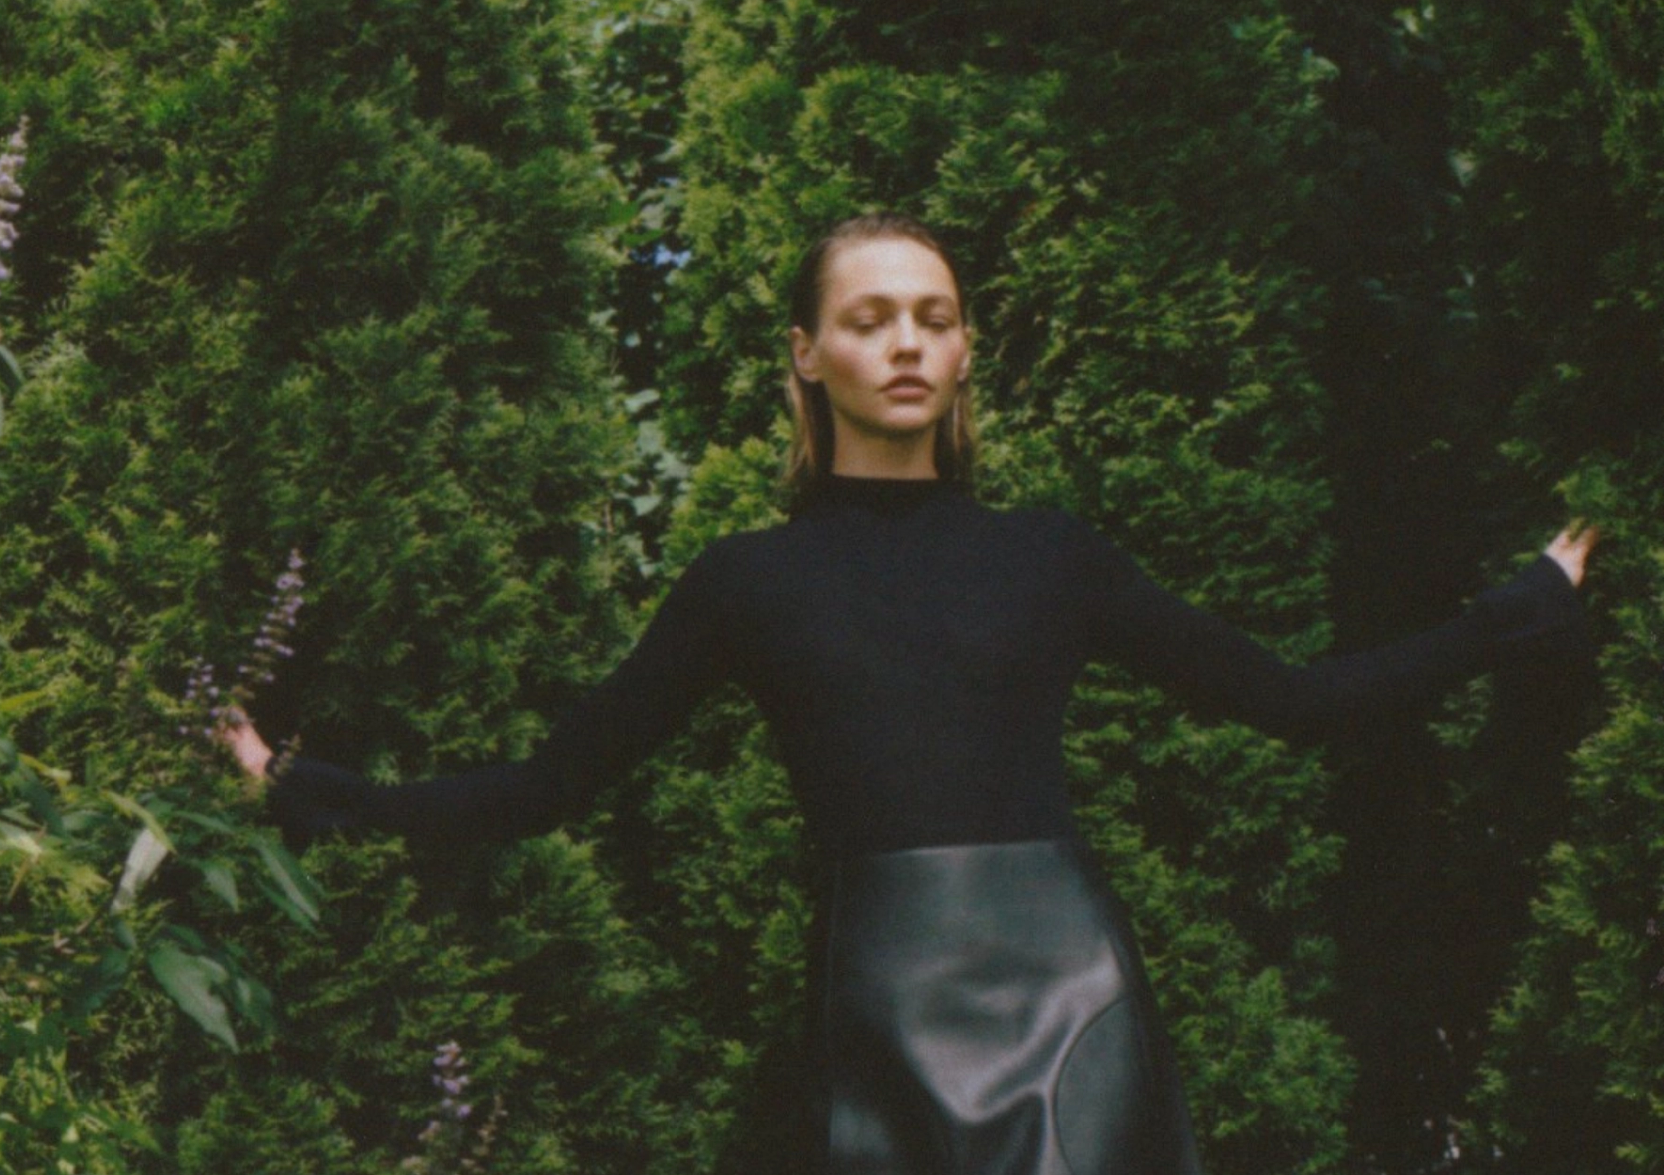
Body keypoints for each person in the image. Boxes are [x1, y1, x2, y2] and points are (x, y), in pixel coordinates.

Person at [220, 212, 1596, 1175]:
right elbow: (549, 786)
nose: (906, 344)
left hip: (1076, 1008)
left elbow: (1298, 702)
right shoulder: (746, 582)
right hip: (872, 1011)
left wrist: (1515, 611)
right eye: (869, 318)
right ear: (807, 357)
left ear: (965, 352)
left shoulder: (1052, 556)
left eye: (934, 318)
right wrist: (307, 787)